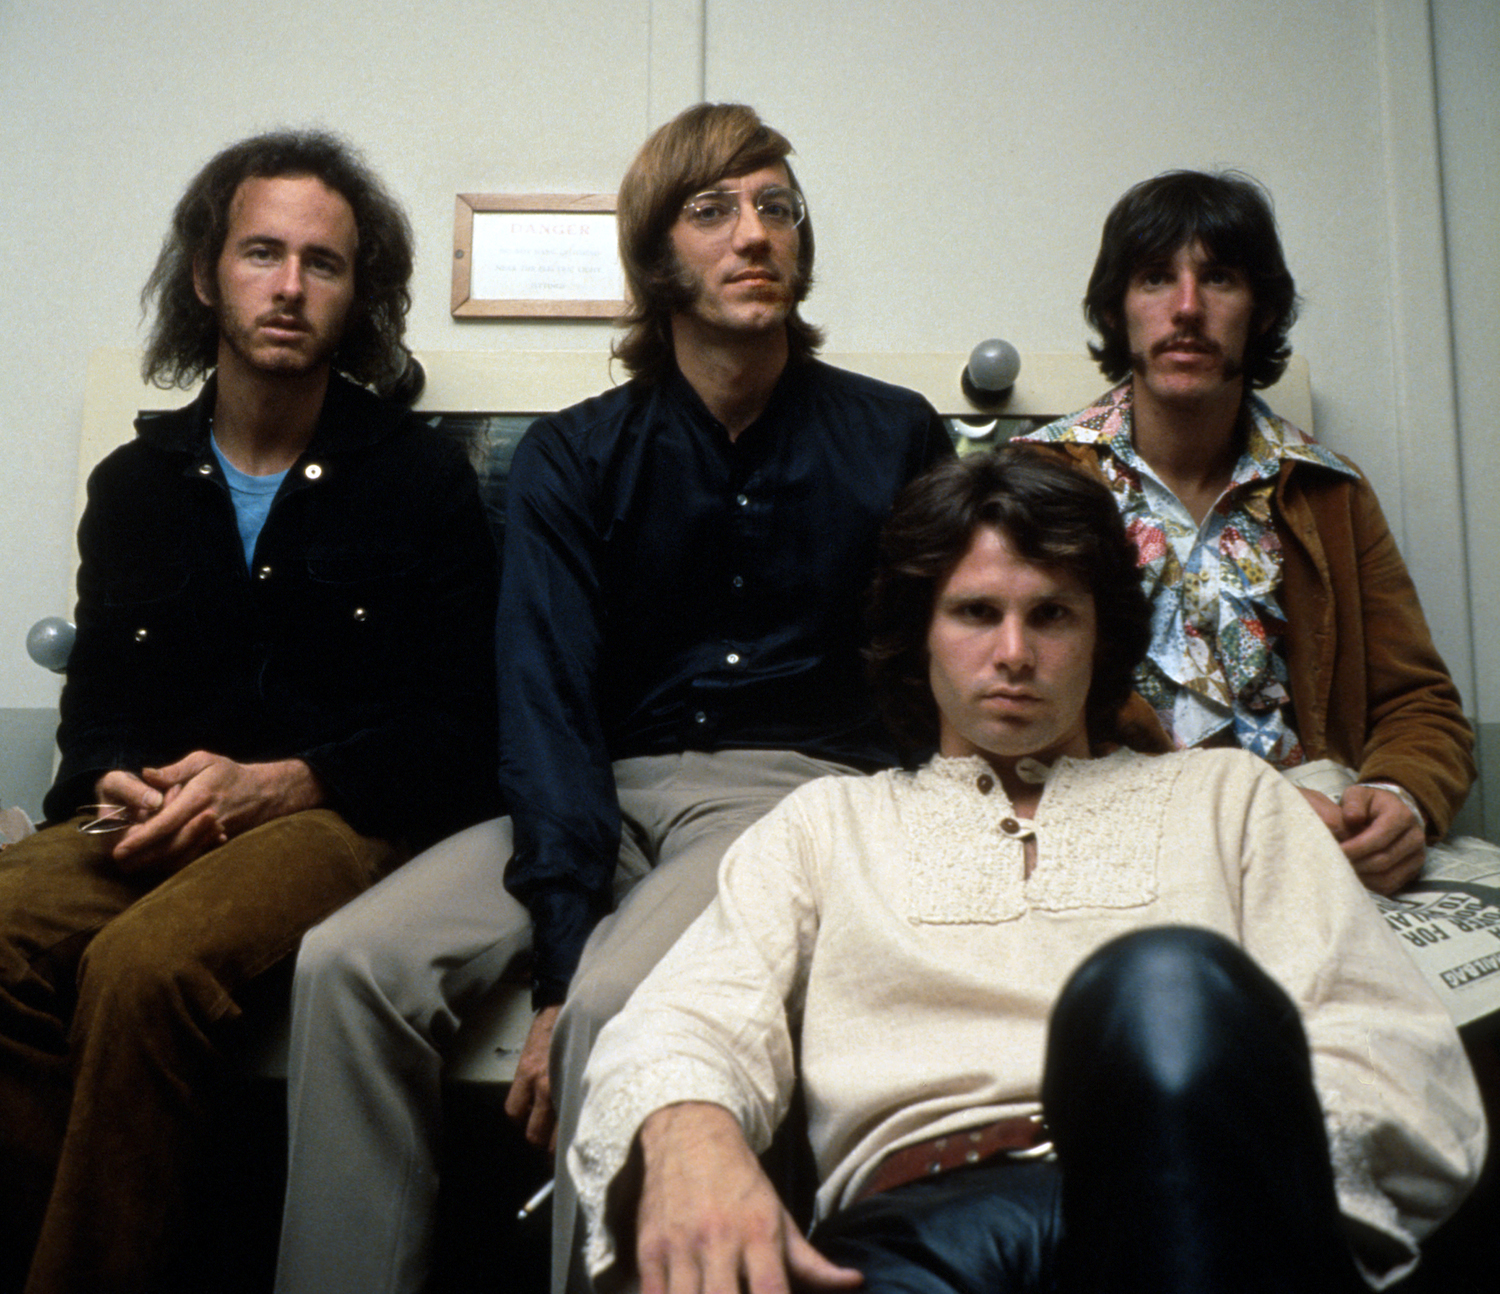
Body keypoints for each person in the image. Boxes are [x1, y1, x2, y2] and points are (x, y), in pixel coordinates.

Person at [273, 102, 953, 1294]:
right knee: (346, 966)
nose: (755, 233)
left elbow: (942, 661)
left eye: (776, 207)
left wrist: (568, 985)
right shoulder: (575, 454)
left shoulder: (894, 436)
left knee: (618, 1001)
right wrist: (557, 936)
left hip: (792, 796)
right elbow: (546, 703)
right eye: (713, 210)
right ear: (654, 256)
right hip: (600, 784)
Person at [570, 448, 1485, 1294]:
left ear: (1101, 636)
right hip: (913, 1231)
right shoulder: (827, 824)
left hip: (1190, 1200)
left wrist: (1270, 1205)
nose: (1014, 653)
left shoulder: (1230, 797)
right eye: (976, 613)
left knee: (1162, 980)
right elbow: (684, 1018)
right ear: (920, 634)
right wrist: (687, 1126)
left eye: (1051, 614)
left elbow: (1383, 1043)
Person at [0, 130, 499, 1294]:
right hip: (153, 812)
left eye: (323, 263)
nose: (289, 286)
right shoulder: (134, 484)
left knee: (144, 969)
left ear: (356, 294)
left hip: (335, 818)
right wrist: (111, 776)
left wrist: (287, 781)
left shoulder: (419, 479)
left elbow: (464, 731)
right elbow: (96, 715)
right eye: (262, 252)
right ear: (203, 273)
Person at [1015, 169, 1474, 897]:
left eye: (1219, 278)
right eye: (1156, 278)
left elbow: (1419, 705)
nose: (1187, 308)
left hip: (1314, 850)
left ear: (1261, 312)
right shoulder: (1037, 483)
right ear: (1116, 310)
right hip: (1116, 840)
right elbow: (1007, 703)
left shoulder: (1328, 492)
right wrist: (1236, 810)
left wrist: (1400, 799)